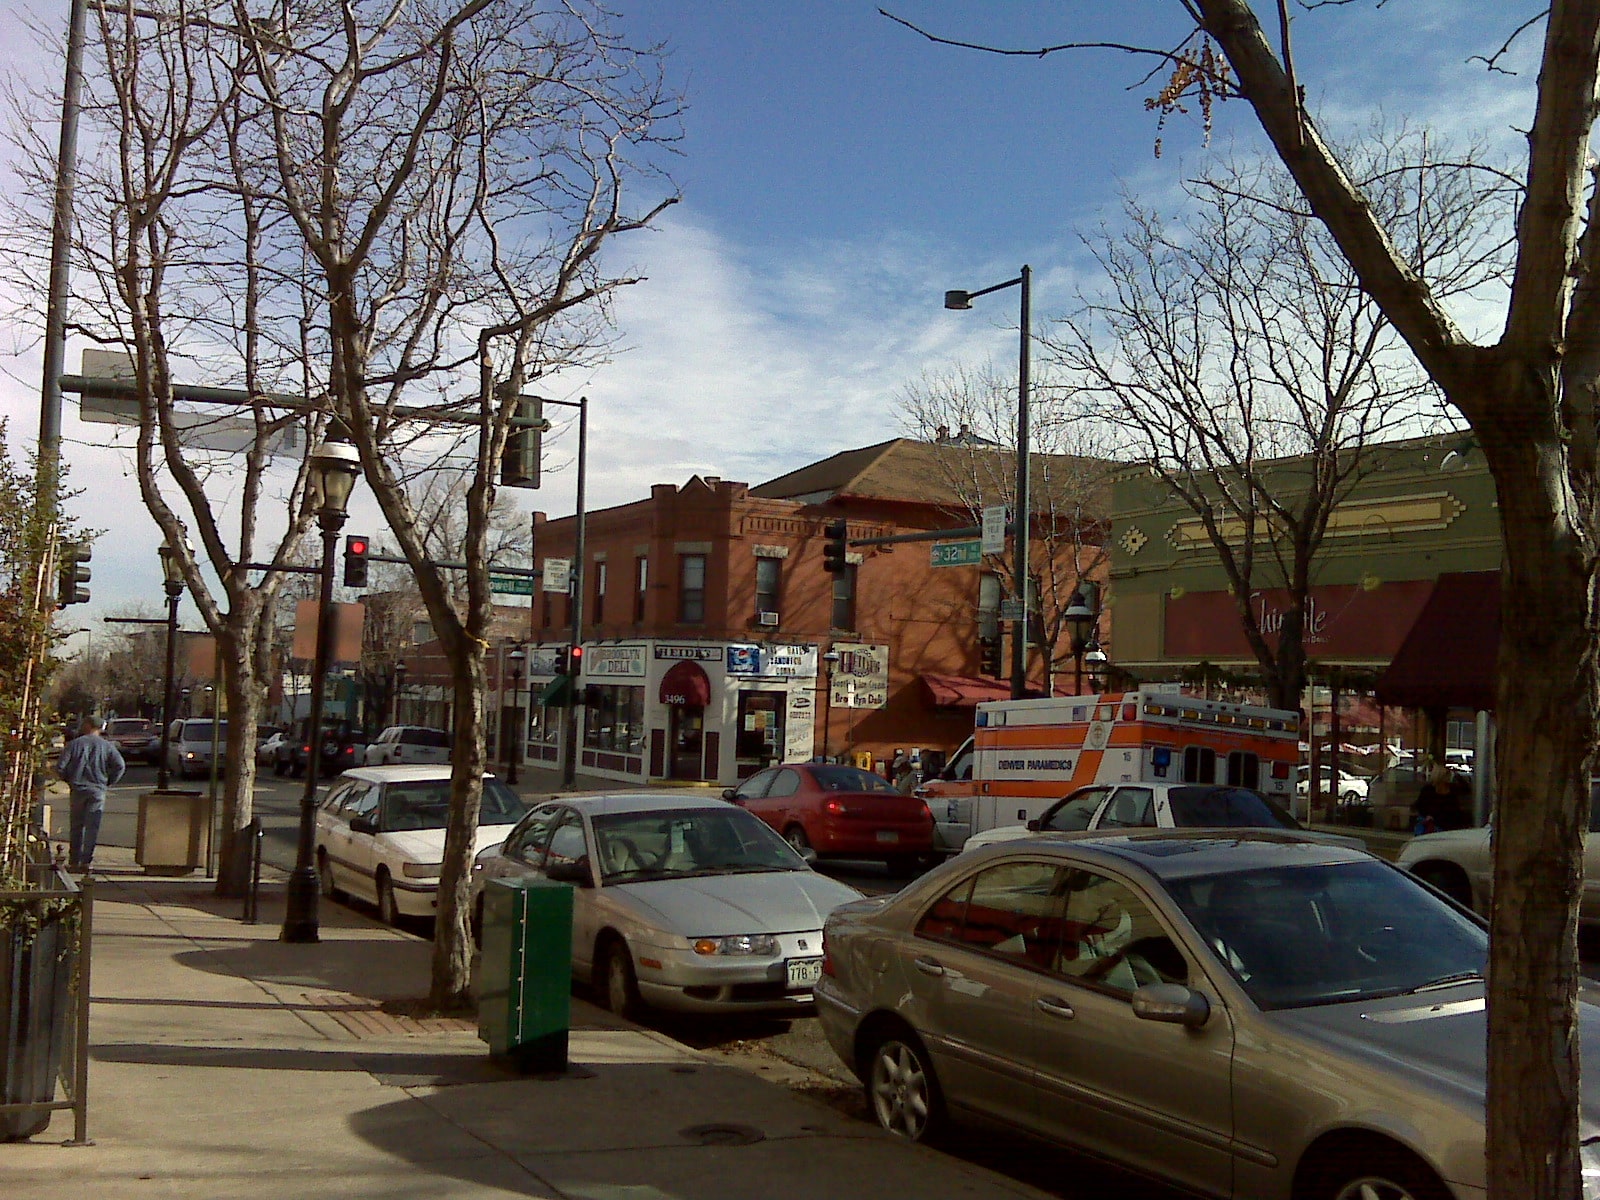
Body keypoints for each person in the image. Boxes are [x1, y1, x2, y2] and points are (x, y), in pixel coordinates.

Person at [56, 715, 126, 872]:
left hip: (78, 788)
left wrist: (69, 779)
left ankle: (74, 860)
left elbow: (60, 766)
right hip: (97, 788)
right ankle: (87, 861)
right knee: (92, 827)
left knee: (76, 826)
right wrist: (108, 781)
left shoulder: (74, 744)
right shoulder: (107, 746)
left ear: (87, 725)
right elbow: (120, 765)